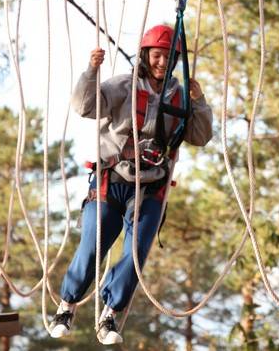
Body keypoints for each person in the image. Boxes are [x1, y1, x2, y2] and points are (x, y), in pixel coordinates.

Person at [48, 24, 213, 345]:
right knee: (94, 243)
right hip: (113, 180)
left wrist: (200, 100)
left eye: (168, 56)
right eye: (156, 55)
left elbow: (200, 136)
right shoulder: (123, 85)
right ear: (145, 55)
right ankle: (67, 304)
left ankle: (111, 312)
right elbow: (85, 107)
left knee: (136, 251)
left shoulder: (179, 96)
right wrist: (92, 71)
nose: (162, 62)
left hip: (151, 188)